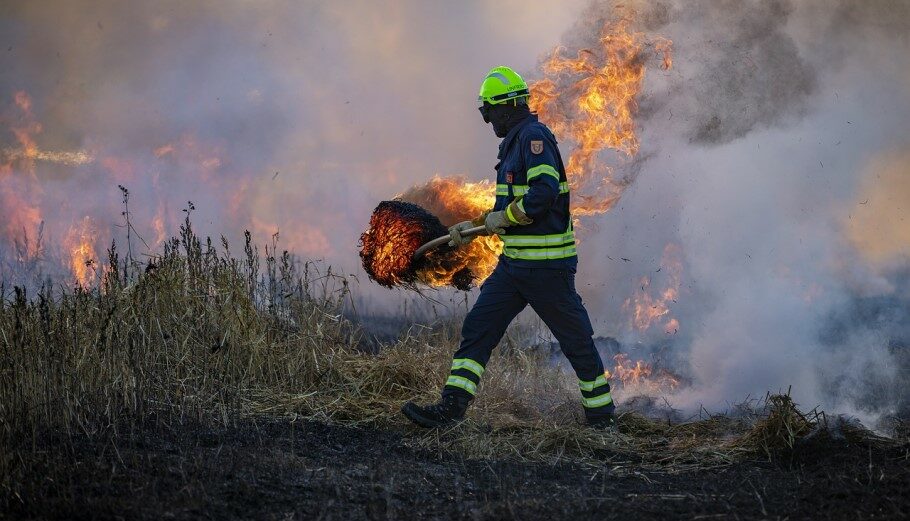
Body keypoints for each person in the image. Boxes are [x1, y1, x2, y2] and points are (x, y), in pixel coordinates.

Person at [401, 66, 615, 429]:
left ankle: (602, 419)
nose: (489, 122)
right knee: (478, 329)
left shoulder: (534, 139)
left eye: (489, 113)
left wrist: (506, 217)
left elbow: (542, 195)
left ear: (507, 107)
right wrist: (477, 225)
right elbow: (509, 210)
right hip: (514, 267)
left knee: (575, 342)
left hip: (547, 269)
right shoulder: (515, 142)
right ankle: (450, 411)